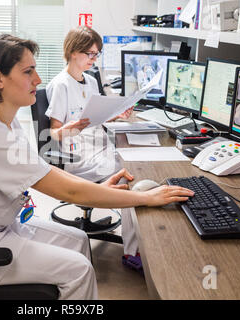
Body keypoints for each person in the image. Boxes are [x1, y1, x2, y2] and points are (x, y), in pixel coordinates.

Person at [0, 34, 194, 300]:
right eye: (28, 72)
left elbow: (43, 169)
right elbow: (69, 193)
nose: (38, 80)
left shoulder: (0, 116)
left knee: (78, 240)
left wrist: (94, 187)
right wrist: (144, 198)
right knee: (79, 270)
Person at [45, 26, 142, 272]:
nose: (93, 59)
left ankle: (136, 246)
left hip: (99, 148)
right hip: (77, 156)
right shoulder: (60, 85)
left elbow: (96, 118)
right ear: (73, 52)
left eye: (96, 54)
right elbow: (53, 133)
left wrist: (117, 115)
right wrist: (72, 127)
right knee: (129, 176)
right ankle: (132, 252)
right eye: (89, 53)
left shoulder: (89, 80)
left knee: (132, 163)